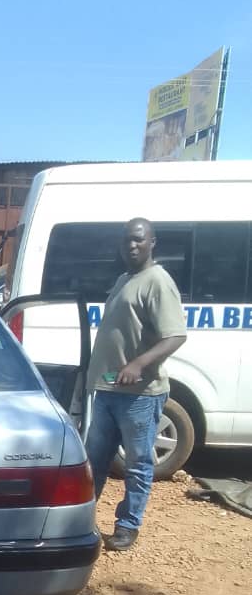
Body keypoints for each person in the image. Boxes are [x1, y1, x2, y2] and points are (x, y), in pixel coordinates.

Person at [85, 218, 187, 551]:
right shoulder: (125, 279)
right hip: (109, 389)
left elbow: (175, 336)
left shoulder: (157, 281)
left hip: (140, 395)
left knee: (138, 464)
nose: (132, 245)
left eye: (139, 240)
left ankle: (128, 525)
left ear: (152, 243)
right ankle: (81, 519)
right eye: (127, 240)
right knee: (94, 461)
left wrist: (139, 364)